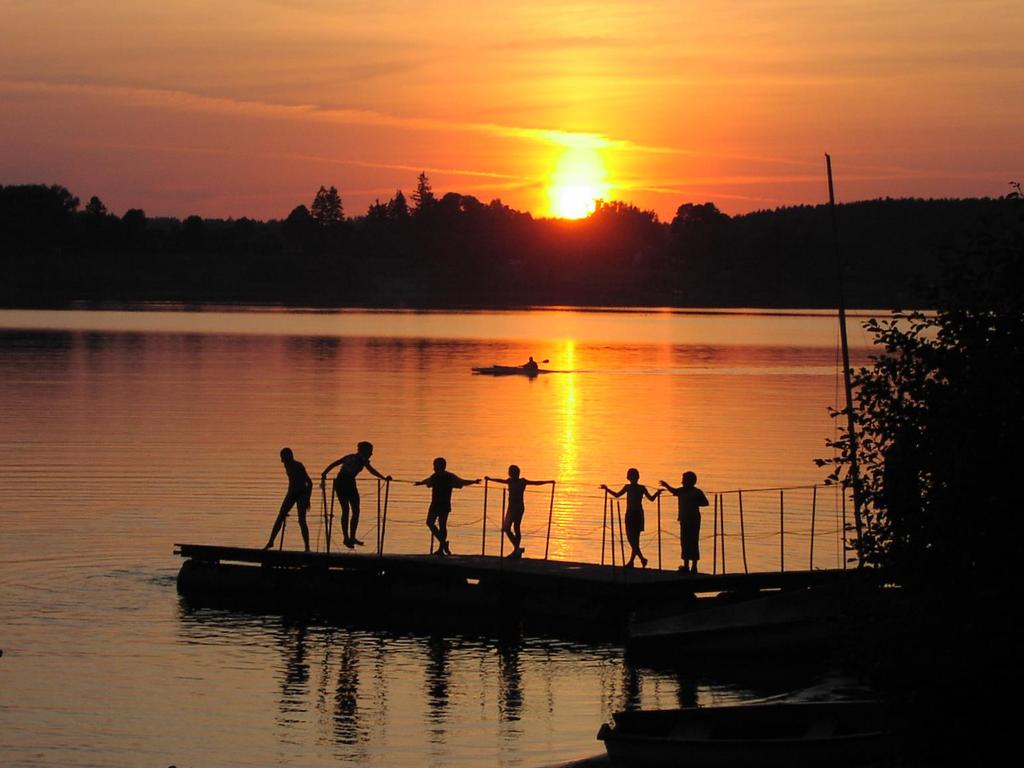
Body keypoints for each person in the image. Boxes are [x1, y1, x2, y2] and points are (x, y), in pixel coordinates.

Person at [320, 441, 390, 549]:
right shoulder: (361, 459)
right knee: (348, 510)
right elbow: (371, 470)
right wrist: (384, 477)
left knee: (353, 511)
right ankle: (347, 537)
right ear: (365, 451)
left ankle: (350, 537)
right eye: (370, 451)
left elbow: (334, 464)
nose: (371, 454)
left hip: (347, 482)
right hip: (343, 482)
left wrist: (325, 473)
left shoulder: (350, 456)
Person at [415, 457, 480, 555]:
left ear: (441, 466)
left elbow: (462, 482)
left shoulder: (449, 476)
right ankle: (444, 544)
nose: (433, 467)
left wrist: (474, 482)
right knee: (429, 522)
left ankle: (441, 547)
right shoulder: (434, 476)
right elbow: (427, 480)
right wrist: (420, 483)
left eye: (435, 465)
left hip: (444, 504)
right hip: (435, 504)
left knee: (442, 525)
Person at [485, 465, 550, 558]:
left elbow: (536, 483)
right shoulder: (510, 481)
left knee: (516, 527)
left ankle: (516, 549)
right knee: (506, 528)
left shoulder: (522, 481)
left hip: (519, 507)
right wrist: (490, 479)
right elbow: (500, 480)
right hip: (511, 507)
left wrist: (548, 482)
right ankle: (517, 548)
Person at [603, 468, 660, 568]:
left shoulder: (641, 488)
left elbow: (651, 499)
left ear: (635, 477)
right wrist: (607, 490)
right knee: (632, 539)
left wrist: (657, 493)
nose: (632, 478)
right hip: (630, 514)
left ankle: (638, 560)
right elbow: (617, 495)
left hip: (636, 514)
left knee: (634, 540)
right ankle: (637, 561)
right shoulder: (628, 487)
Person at [660, 471, 709, 573]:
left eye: (684, 480)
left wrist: (693, 501)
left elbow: (705, 503)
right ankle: (686, 566)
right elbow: (674, 491)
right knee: (684, 542)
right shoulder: (682, 491)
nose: (682, 482)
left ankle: (694, 566)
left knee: (693, 542)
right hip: (684, 520)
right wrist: (666, 485)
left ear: (690, 481)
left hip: (693, 520)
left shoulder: (696, 492)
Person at [265, 447, 313, 551]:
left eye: (283, 457)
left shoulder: (298, 466)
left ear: (288, 456)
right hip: (291, 494)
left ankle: (307, 546)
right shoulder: (287, 465)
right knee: (280, 516)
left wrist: (308, 499)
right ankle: (271, 541)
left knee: (302, 520)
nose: (282, 460)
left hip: (302, 494)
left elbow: (309, 483)